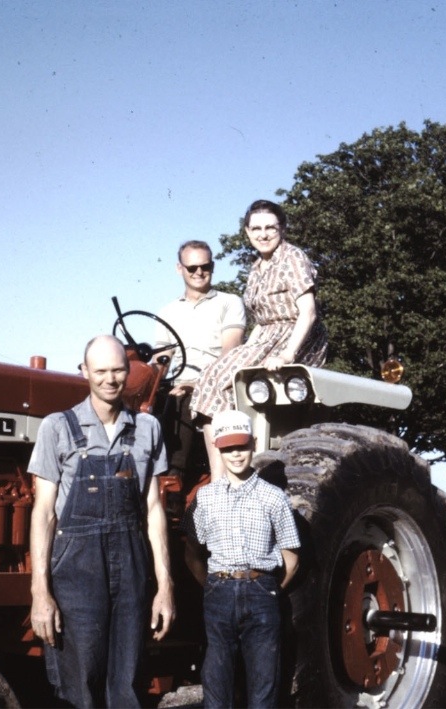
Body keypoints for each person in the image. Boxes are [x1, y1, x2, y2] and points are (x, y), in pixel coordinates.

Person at [29, 334, 175, 708]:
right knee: (81, 679)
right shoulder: (57, 428)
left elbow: (154, 508)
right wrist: (40, 593)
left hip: (131, 565)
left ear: (129, 372)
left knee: (127, 681)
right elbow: (44, 512)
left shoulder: (147, 429)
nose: (110, 380)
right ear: (84, 372)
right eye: (101, 371)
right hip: (76, 570)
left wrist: (164, 585)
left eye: (117, 371)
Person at [191, 200, 327, 475]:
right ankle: (221, 476)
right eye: (256, 228)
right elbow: (261, 320)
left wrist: (287, 354)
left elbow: (308, 312)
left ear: (283, 229)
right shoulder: (256, 268)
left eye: (270, 228)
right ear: (247, 231)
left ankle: (228, 475)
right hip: (265, 336)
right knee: (210, 377)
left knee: (220, 381)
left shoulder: (293, 257)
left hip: (295, 335)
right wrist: (246, 349)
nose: (263, 234)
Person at [183, 410, 300, 708]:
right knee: (217, 677)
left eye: (242, 446)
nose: (236, 455)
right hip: (218, 591)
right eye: (228, 448)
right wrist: (213, 584)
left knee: (265, 679)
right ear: (219, 450)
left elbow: (291, 556)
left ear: (253, 444)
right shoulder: (205, 498)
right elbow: (193, 553)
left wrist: (269, 589)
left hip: (262, 591)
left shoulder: (273, 497)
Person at [154, 240, 245, 479]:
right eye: (192, 268)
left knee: (183, 400)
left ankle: (174, 481)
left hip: (216, 384)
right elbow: (161, 359)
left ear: (212, 266)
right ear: (179, 268)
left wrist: (196, 384)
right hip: (177, 383)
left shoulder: (229, 302)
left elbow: (230, 354)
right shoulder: (168, 311)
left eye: (205, 266)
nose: (199, 273)